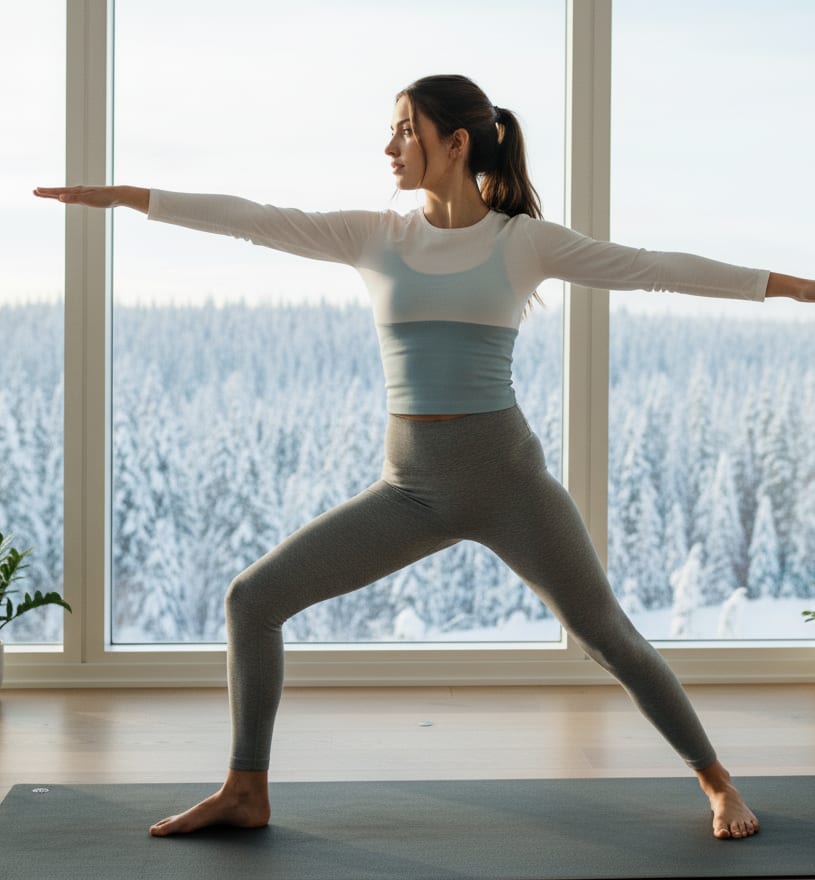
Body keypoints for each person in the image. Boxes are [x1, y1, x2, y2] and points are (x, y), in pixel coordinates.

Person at [35, 74, 815, 842]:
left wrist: (794, 287)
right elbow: (256, 220)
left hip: (508, 484)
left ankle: (716, 781)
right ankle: (245, 789)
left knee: (607, 633)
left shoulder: (521, 243)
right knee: (253, 599)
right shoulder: (377, 236)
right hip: (408, 490)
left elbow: (654, 268)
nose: (389, 146)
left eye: (404, 129)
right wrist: (132, 196)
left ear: (455, 142)